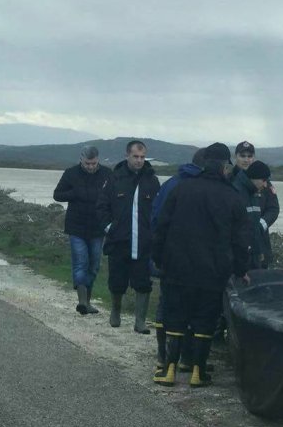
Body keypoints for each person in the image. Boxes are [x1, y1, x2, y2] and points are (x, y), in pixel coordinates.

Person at [151, 143, 251, 387]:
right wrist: (241, 269)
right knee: (204, 319)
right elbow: (241, 241)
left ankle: (170, 370)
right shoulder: (232, 197)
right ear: (225, 166)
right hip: (213, 271)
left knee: (175, 315)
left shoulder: (181, 189)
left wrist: (158, 258)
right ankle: (198, 372)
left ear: (203, 163)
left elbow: (161, 227)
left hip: (177, 266)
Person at [150, 147, 207, 377]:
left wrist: (156, 254)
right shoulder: (198, 188)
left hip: (168, 256)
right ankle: (184, 359)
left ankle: (164, 358)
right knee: (188, 307)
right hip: (190, 258)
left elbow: (155, 218)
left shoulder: (171, 183)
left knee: (169, 304)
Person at [96, 139, 161, 334]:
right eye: (135, 156)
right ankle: (115, 311)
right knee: (117, 281)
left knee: (143, 282)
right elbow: (101, 207)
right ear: (127, 156)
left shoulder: (152, 180)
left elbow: (159, 210)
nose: (139, 161)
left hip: (143, 242)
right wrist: (110, 228)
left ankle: (140, 321)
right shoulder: (115, 178)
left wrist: (154, 234)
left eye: (142, 157)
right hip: (119, 241)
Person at [53, 145, 113, 315]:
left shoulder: (107, 174)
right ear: (81, 159)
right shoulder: (70, 173)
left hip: (98, 228)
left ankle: (87, 301)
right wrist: (75, 193)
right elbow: (57, 195)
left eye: (94, 163)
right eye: (87, 163)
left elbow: (114, 198)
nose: (91, 167)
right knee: (81, 263)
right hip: (76, 227)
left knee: (93, 266)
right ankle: (82, 302)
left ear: (98, 160)